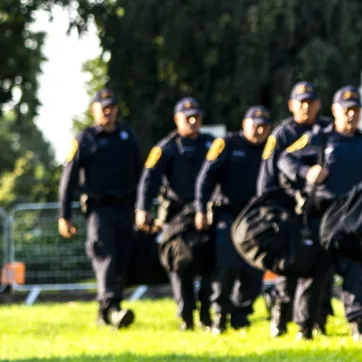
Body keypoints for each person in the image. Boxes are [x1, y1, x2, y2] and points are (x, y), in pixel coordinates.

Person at [279, 87, 362, 342]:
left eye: (355, 110)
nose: (351, 115)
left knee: (354, 272)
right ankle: (304, 327)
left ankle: (358, 325)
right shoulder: (319, 137)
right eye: (346, 110)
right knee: (314, 273)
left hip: (353, 220)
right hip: (321, 217)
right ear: (334, 111)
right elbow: (285, 159)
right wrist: (306, 173)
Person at [57, 88, 143, 329]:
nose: (108, 110)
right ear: (93, 110)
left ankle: (108, 309)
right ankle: (111, 308)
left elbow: (141, 174)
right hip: (98, 209)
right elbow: (68, 178)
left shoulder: (128, 135)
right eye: (103, 107)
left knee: (123, 258)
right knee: (105, 255)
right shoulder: (85, 139)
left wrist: (142, 208)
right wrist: (64, 215)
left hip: (125, 208)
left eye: (111, 106)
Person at [137, 97, 218, 331]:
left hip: (206, 213)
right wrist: (142, 209)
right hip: (176, 217)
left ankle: (205, 312)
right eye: (187, 117)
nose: (193, 122)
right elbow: (148, 179)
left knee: (210, 262)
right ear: (176, 119)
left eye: (197, 117)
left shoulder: (211, 144)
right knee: (181, 262)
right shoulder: (166, 148)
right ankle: (186, 313)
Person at [258, 81, 331, 336]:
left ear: (318, 104)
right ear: (291, 105)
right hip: (287, 208)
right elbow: (267, 178)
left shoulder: (326, 130)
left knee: (320, 266)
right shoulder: (281, 135)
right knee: (287, 266)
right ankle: (280, 314)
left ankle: (318, 319)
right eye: (301, 102)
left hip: (318, 209)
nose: (306, 107)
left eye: (310, 102)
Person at [195, 105, 271, 332]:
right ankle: (220, 314)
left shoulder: (271, 148)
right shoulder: (227, 144)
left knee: (254, 270)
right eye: (253, 126)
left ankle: (241, 314)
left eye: (263, 126)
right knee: (227, 266)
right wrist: (201, 209)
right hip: (227, 215)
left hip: (256, 218)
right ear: (243, 125)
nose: (258, 131)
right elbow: (205, 178)